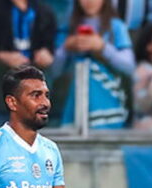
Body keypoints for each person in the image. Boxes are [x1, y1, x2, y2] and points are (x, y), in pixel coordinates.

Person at [55, 0, 135, 128]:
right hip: (74, 99)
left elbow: (129, 66)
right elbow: (53, 71)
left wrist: (102, 47)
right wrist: (66, 47)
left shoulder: (116, 26)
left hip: (107, 100)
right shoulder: (68, 27)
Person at [0, 0, 57, 70]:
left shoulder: (44, 11)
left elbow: (49, 45)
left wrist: (46, 53)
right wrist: (0, 56)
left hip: (34, 76)